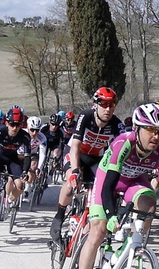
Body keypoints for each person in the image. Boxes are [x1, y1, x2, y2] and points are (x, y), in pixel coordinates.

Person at [67, 103, 159, 269]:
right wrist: (110, 216)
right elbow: (108, 186)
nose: (156, 136)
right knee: (98, 231)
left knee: (149, 203)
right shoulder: (123, 144)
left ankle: (124, 252)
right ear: (137, 128)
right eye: (150, 130)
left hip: (133, 183)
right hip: (108, 180)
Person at [50, 87, 123, 243]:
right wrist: (75, 170)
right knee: (71, 182)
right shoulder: (86, 116)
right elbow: (75, 145)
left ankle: (83, 233)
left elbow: (120, 152)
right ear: (95, 104)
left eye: (112, 105)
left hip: (96, 159)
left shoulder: (116, 125)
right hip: (77, 153)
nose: (108, 109)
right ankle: (59, 216)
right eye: (104, 104)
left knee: (102, 189)